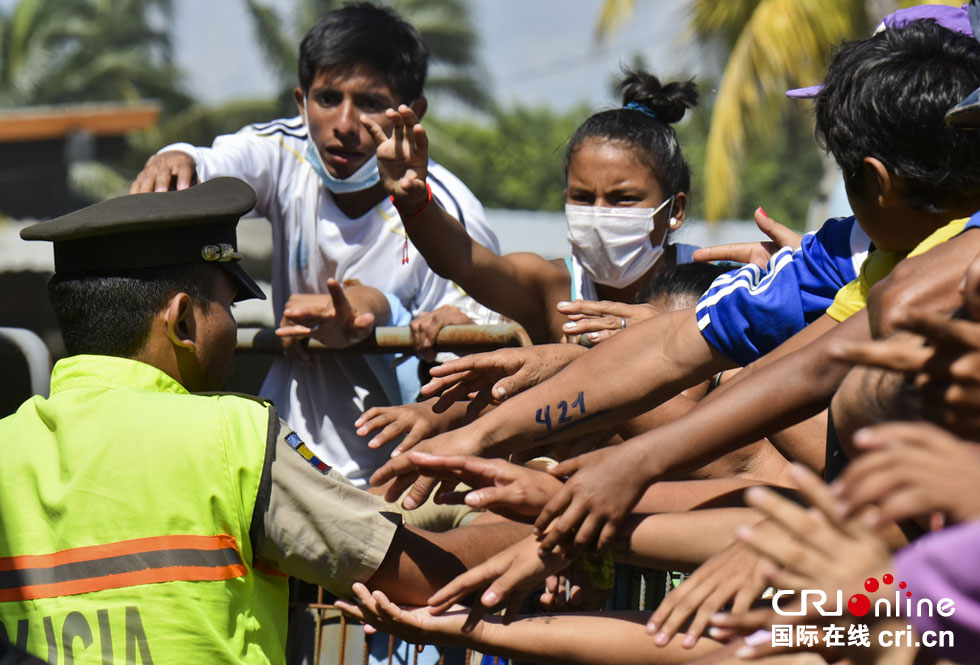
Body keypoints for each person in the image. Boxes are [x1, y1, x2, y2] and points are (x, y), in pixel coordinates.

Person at [0, 179, 525, 664]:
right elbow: (415, 577)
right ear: (183, 319)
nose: (233, 328)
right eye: (228, 305)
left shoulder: (7, 445)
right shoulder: (231, 436)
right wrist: (541, 528)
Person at [129, 2, 500, 487]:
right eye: (327, 98)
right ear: (303, 102)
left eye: (369, 102)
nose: (344, 123)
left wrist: (394, 328)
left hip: (404, 481)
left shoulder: (451, 215)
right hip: (287, 465)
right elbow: (210, 163)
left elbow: (483, 364)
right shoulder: (284, 152)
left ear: (414, 115)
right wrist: (174, 157)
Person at [366, 67, 699, 345]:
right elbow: (466, 263)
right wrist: (413, 201)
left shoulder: (715, 286)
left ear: (675, 211)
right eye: (582, 198)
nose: (599, 214)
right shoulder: (551, 287)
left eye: (622, 199)